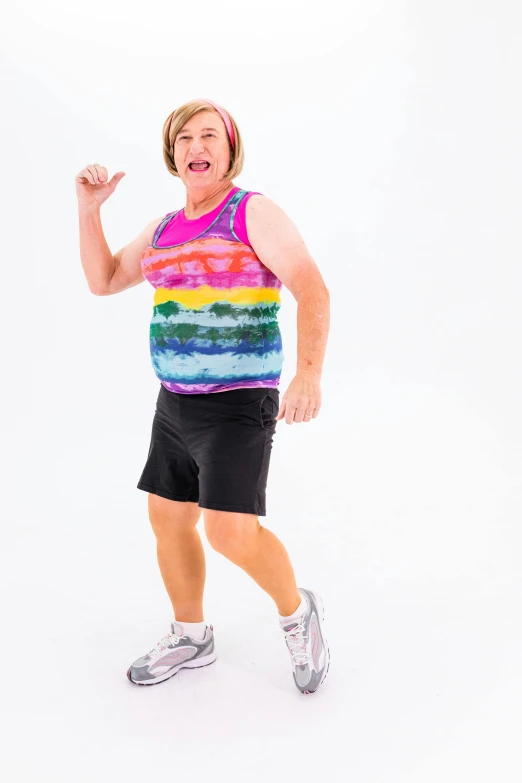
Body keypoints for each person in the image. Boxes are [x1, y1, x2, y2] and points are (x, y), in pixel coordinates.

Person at [76, 98, 331, 694]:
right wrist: (89, 211)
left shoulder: (252, 212)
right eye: (185, 136)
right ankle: (191, 635)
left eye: (210, 136)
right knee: (167, 517)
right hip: (175, 401)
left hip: (240, 400)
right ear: (173, 153)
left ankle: (299, 614)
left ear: (229, 148)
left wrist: (309, 374)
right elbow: (105, 279)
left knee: (229, 531)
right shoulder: (165, 229)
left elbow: (312, 286)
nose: (197, 146)